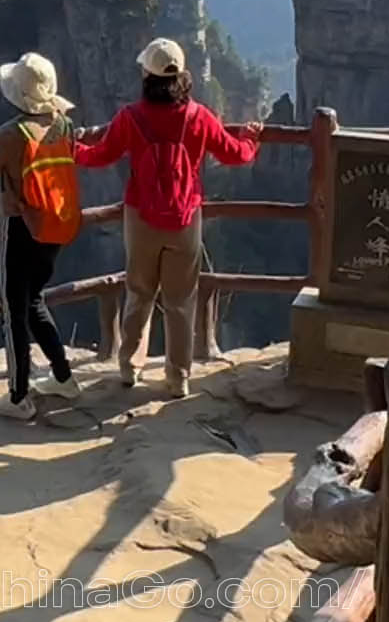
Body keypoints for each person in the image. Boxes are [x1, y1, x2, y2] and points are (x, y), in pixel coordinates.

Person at [76, 37, 262, 398]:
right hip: (185, 217)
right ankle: (178, 377)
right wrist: (252, 140)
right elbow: (235, 154)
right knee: (180, 300)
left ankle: (130, 367)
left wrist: (71, 149)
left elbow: (100, 156)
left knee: (139, 291)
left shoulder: (130, 117)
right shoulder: (199, 117)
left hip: (140, 215)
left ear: (147, 75)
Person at [0, 52, 86, 420]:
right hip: (55, 226)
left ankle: (18, 397)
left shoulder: (12, 133)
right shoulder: (64, 125)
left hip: (21, 228)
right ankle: (63, 377)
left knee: (15, 310)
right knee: (35, 301)